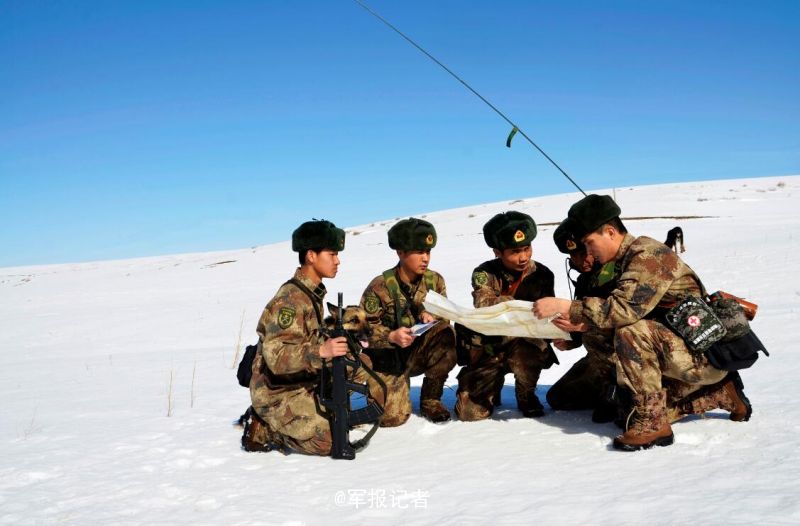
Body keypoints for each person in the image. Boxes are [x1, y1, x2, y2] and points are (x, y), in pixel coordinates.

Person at [533, 195, 752, 451]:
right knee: (608, 407)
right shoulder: (626, 261)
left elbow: (623, 311)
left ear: (611, 232)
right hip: (680, 349)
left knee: (630, 331)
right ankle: (716, 394)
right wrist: (578, 329)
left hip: (704, 355)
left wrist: (566, 306)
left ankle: (654, 421)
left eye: (590, 243)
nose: (588, 253)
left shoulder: (647, 256)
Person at [245, 219, 370, 455]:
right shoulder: (290, 300)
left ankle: (327, 408)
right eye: (332, 254)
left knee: (364, 366)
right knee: (328, 440)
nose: (337, 261)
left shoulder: (312, 294)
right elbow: (277, 358)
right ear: (311, 256)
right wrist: (321, 352)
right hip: (277, 392)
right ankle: (264, 426)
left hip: (304, 379)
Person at [454, 211, 558, 421]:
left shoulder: (543, 274)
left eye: (527, 248)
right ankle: (482, 384)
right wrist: (520, 306)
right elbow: (484, 304)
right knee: (469, 414)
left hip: (525, 345)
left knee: (532, 348)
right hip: (490, 348)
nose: (524, 257)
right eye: (515, 251)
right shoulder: (484, 273)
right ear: (497, 252)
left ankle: (526, 393)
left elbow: (548, 314)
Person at [360, 218, 457, 426]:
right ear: (401, 252)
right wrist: (391, 336)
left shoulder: (435, 281)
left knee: (447, 334)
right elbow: (364, 331)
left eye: (428, 252)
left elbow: (445, 316)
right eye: (419, 252)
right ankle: (382, 389)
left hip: (418, 352)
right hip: (387, 357)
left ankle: (431, 399)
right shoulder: (380, 286)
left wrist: (432, 317)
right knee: (392, 417)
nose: (425, 258)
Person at [545, 217, 620, 423]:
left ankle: (624, 393)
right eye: (575, 255)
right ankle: (612, 390)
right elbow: (582, 319)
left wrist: (583, 326)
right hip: (600, 358)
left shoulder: (619, 271)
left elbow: (626, 318)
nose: (583, 260)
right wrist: (571, 340)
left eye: (586, 252)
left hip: (629, 355)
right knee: (558, 398)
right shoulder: (584, 281)